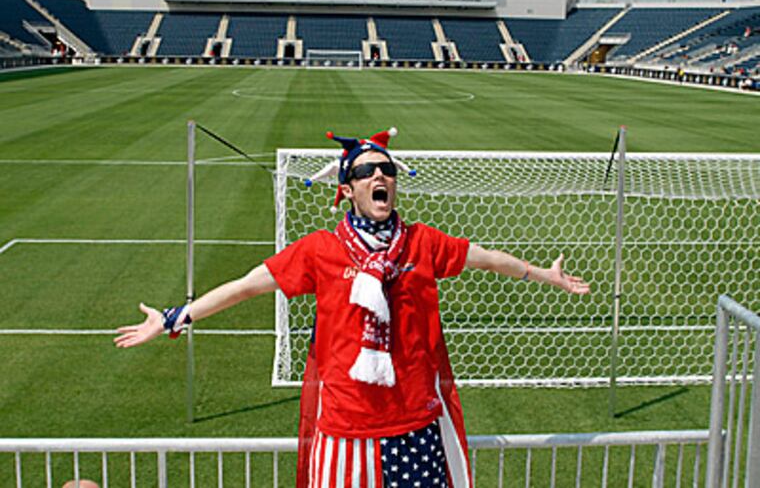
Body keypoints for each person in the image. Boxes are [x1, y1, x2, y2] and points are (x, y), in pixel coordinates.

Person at [115, 128, 590, 487]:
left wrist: (541, 274)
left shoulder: (422, 242)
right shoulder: (319, 250)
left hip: (416, 426)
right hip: (344, 430)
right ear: (346, 189)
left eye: (387, 170)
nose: (380, 176)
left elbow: (484, 258)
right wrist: (175, 318)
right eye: (366, 171)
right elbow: (245, 287)